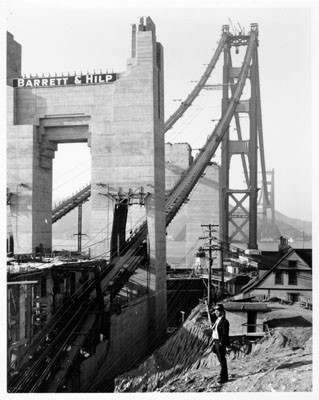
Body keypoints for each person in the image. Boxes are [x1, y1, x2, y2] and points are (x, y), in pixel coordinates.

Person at [211, 303, 230, 383]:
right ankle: (223, 376)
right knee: (220, 359)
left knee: (222, 361)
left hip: (220, 342)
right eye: (215, 311)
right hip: (216, 341)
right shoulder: (217, 320)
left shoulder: (225, 322)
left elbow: (225, 334)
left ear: (222, 312)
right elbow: (215, 331)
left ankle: (224, 378)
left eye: (217, 311)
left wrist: (222, 343)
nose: (216, 312)